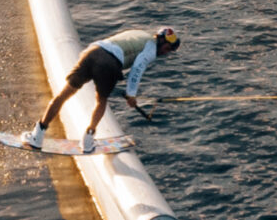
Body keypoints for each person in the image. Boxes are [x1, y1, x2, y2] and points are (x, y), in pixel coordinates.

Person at [22, 26, 179, 152]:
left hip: (91, 52)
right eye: (168, 49)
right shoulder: (150, 50)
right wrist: (131, 95)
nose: (166, 53)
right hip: (109, 63)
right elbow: (136, 70)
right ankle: (88, 141)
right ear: (161, 42)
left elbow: (119, 47)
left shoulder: (139, 33)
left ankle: (38, 135)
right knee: (101, 101)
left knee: (64, 95)